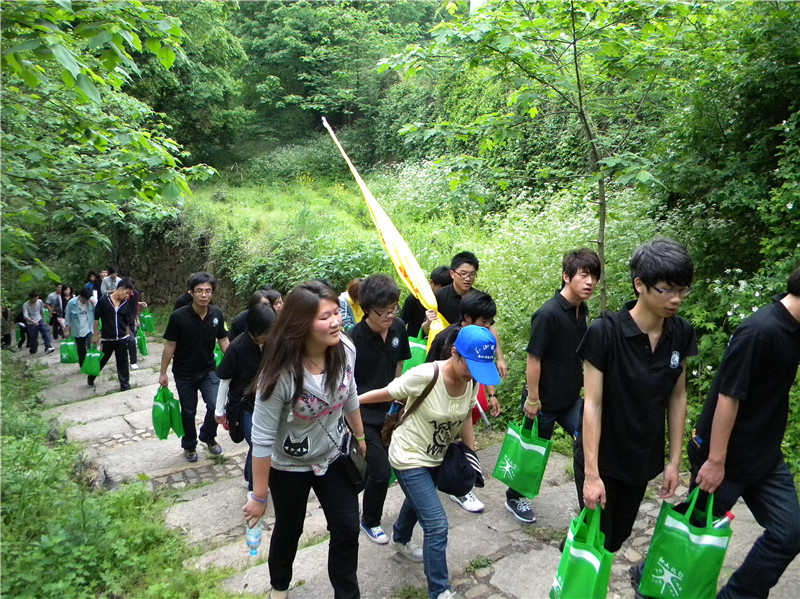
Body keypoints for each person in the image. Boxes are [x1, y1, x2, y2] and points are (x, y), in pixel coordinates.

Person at [242, 281, 366, 599]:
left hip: (333, 455)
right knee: (290, 529)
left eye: (336, 313)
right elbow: (262, 437)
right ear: (301, 324)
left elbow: (350, 391)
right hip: (288, 466)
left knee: (347, 527)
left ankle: (347, 594)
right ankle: (279, 586)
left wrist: (360, 435)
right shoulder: (280, 374)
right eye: (325, 317)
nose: (336, 322)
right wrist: (258, 495)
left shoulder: (345, 349)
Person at [684, 264, 800, 599]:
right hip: (725, 458)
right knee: (693, 537)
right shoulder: (760, 331)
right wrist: (715, 461)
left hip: (764, 456)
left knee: (789, 532)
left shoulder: (793, 328)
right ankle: (650, 582)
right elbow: (728, 397)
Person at [359, 325, 500, 599]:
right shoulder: (426, 375)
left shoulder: (472, 380)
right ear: (455, 352)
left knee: (419, 500)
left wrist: (470, 454)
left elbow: (466, 416)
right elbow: (387, 392)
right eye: (471, 366)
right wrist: (350, 404)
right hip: (408, 454)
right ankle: (439, 591)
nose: (474, 373)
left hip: (438, 455)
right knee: (436, 525)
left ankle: (400, 537)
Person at [574, 237, 696, 552]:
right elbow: (593, 405)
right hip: (602, 457)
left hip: (641, 457)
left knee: (617, 537)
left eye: (683, 290)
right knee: (596, 541)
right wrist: (591, 475)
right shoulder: (605, 332)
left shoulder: (680, 332)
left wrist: (674, 461)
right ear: (639, 284)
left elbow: (677, 397)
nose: (676, 299)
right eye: (667, 290)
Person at [505, 248, 601, 524]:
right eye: (584, 275)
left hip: (570, 399)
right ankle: (515, 496)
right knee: (532, 452)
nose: (590, 282)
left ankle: (588, 504)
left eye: (594, 277)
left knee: (587, 443)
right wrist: (533, 398)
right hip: (543, 402)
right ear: (566, 277)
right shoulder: (548, 314)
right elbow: (534, 358)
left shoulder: (582, 310)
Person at [425, 290, 502, 514]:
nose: (488, 327)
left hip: (464, 399)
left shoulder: (479, 338)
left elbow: (485, 364)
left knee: (461, 440)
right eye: (484, 322)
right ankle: (457, 487)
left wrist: (491, 394)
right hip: (442, 401)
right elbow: (431, 372)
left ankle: (458, 477)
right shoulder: (448, 339)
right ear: (467, 318)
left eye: (490, 323)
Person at [348, 274, 411, 545]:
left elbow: (399, 366)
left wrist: (399, 402)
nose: (389, 315)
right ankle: (370, 521)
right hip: (362, 413)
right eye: (383, 311)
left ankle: (352, 492)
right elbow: (346, 385)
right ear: (366, 309)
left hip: (390, 411)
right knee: (382, 472)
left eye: (393, 308)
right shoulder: (353, 340)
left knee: (381, 468)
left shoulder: (398, 327)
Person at [160, 272, 229, 463]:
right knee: (188, 412)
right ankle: (189, 445)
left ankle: (208, 435)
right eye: (199, 291)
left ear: (212, 293)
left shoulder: (216, 314)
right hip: (184, 373)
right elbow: (170, 345)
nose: (204, 295)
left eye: (208, 291)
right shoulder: (178, 317)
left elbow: (223, 340)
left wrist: (234, 363)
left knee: (216, 405)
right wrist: (163, 372)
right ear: (191, 292)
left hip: (209, 370)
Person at [215, 303, 276, 491]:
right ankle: (254, 488)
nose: (269, 337)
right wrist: (219, 410)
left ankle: (249, 478)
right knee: (257, 443)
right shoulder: (237, 347)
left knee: (262, 444)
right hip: (243, 405)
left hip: (265, 402)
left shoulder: (272, 344)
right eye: (265, 333)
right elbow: (225, 380)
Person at [434, 251, 507, 377]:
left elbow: (489, 326)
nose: (468, 278)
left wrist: (500, 358)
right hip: (444, 348)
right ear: (452, 274)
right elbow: (426, 328)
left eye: (472, 274)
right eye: (463, 274)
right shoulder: (438, 297)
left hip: (472, 354)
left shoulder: (479, 299)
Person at [89, 277, 135, 390]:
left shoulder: (125, 303)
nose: (127, 296)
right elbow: (96, 318)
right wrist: (95, 335)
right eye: (126, 293)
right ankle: (91, 376)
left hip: (121, 338)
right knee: (102, 360)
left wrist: (127, 335)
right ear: (120, 289)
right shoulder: (104, 300)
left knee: (123, 362)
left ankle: (125, 385)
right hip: (107, 338)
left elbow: (126, 321)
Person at [400, 265, 451, 338]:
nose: (444, 292)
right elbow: (402, 321)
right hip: (416, 342)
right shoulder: (415, 298)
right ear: (431, 283)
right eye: (442, 289)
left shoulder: (449, 299)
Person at [64, 287, 95, 367]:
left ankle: (91, 364)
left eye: (87, 300)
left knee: (91, 346)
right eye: (84, 299)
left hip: (89, 328)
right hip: (77, 329)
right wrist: (67, 330)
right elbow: (68, 317)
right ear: (80, 296)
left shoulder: (92, 301)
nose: (85, 301)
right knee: (81, 349)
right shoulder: (72, 303)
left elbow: (97, 314)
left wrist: (94, 305)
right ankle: (83, 365)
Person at [124, 279, 143, 370]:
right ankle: (132, 361)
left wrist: (137, 319)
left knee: (131, 340)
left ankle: (132, 361)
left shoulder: (135, 294)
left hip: (131, 319)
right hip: (121, 321)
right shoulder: (118, 295)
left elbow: (135, 307)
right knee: (130, 340)